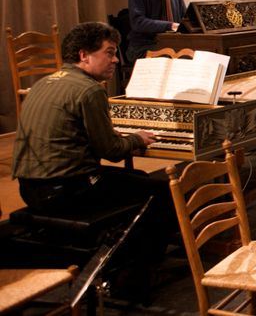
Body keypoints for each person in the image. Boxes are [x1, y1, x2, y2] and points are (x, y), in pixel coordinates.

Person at [12, 21, 172, 299]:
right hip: (68, 190)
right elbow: (110, 150)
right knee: (159, 192)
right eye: (109, 53)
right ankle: (131, 280)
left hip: (30, 188)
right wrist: (136, 139)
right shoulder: (90, 90)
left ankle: (119, 257)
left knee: (140, 181)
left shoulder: (42, 83)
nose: (115, 60)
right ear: (84, 55)